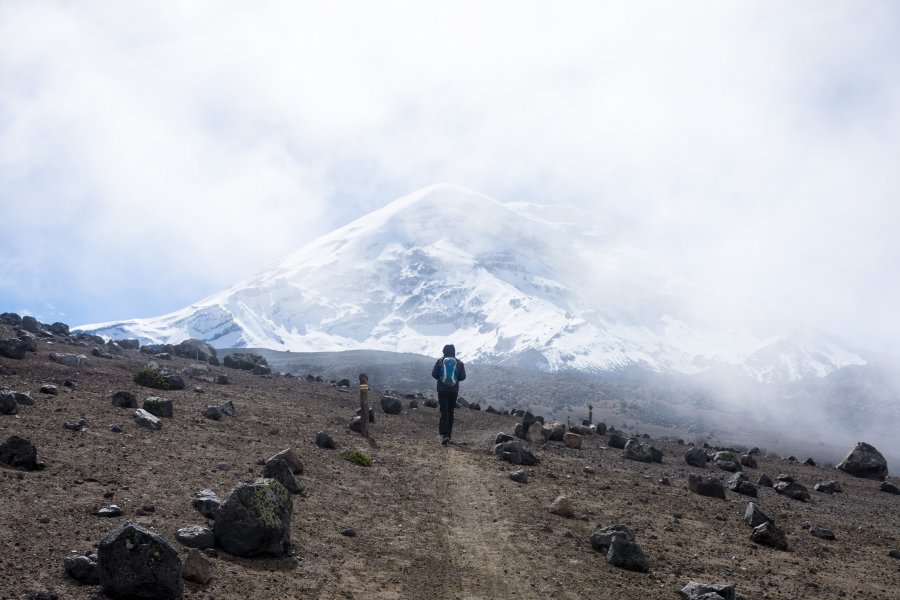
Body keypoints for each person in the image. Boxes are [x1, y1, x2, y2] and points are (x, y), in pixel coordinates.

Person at [431, 344, 466, 445]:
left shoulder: (440, 361)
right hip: (453, 391)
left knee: (444, 411)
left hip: (442, 390)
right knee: (450, 412)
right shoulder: (459, 363)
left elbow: (433, 374)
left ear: (444, 351)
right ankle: (448, 435)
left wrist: (442, 378)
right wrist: (455, 379)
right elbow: (463, 376)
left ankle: (444, 434)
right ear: (454, 351)